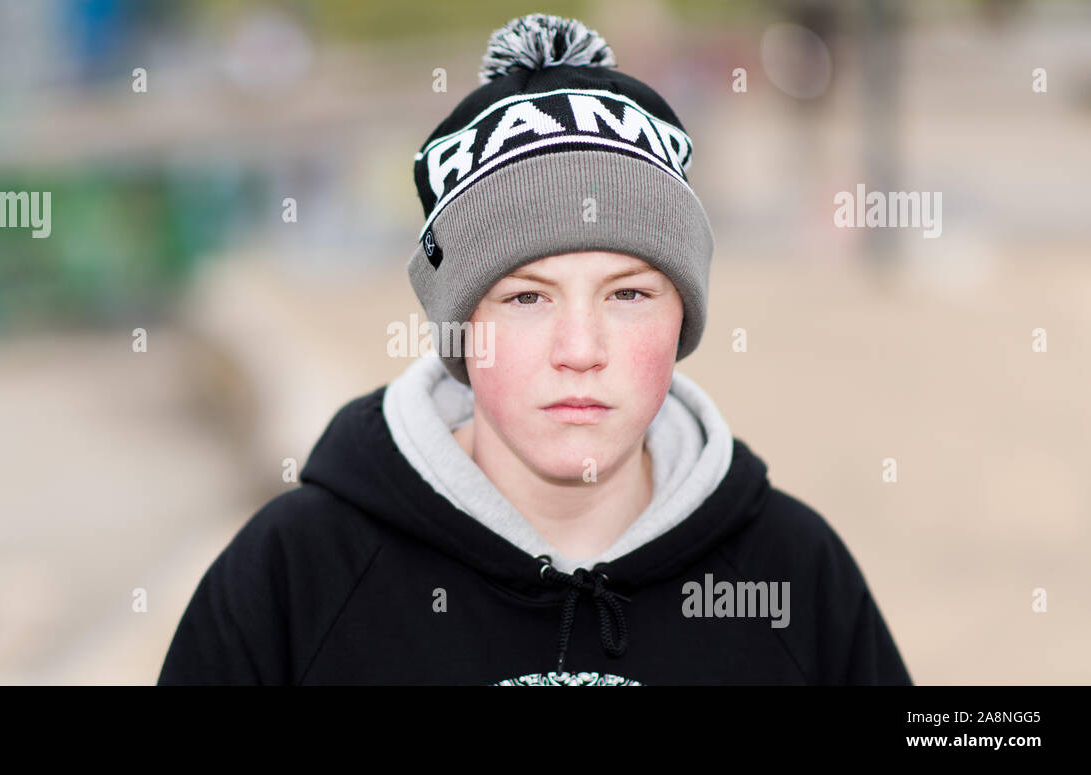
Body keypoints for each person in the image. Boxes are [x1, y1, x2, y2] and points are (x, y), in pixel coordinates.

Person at [157, 13, 912, 686]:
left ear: (683, 313)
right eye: (525, 298)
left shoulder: (792, 573)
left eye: (628, 294)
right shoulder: (295, 577)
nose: (580, 349)